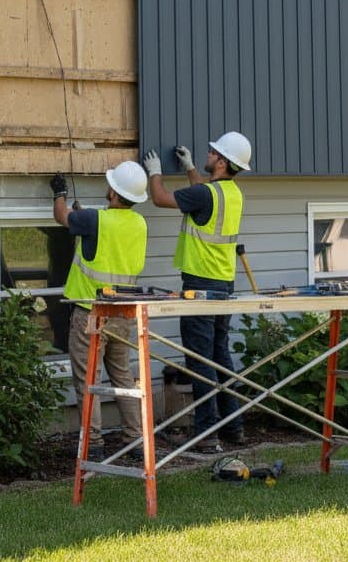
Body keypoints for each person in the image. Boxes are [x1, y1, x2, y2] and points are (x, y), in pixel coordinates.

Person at [143, 132, 252, 450]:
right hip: (223, 285)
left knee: (200, 362)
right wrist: (190, 167)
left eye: (213, 152)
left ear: (221, 162)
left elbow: (161, 199)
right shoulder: (231, 193)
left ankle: (206, 434)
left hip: (200, 288)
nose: (208, 153)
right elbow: (202, 193)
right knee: (220, 357)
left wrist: (154, 173)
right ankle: (234, 428)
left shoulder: (206, 194)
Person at [51, 161, 149, 462]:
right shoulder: (138, 223)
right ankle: (134, 438)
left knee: (88, 379)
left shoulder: (95, 220)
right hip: (122, 313)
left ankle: (92, 443)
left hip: (90, 313)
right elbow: (106, 243)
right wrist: (86, 219)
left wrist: (59, 192)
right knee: (122, 375)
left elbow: (62, 217)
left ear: (114, 193)